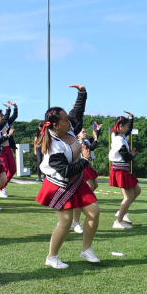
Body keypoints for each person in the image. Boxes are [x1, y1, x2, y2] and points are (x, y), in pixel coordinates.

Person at [35, 85, 101, 269]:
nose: (69, 122)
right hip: (59, 183)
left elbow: (77, 112)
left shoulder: (68, 129)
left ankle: (86, 249)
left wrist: (82, 93)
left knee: (94, 212)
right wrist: (86, 161)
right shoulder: (52, 146)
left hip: (75, 180)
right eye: (65, 120)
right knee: (64, 222)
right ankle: (51, 257)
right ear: (56, 125)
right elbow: (65, 171)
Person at [69, 124, 102, 233]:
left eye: (86, 131)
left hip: (88, 165)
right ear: (77, 134)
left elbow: (92, 139)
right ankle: (75, 221)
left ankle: (81, 205)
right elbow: (91, 146)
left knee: (94, 185)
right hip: (82, 166)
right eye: (83, 132)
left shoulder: (85, 141)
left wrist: (97, 130)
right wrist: (96, 139)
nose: (86, 133)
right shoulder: (78, 142)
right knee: (87, 189)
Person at [110, 112, 139, 229]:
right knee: (128, 196)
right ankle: (118, 221)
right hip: (120, 169)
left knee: (137, 190)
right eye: (126, 126)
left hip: (122, 169)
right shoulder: (119, 140)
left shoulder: (118, 134)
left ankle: (122, 211)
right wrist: (131, 154)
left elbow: (128, 129)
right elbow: (126, 157)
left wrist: (131, 118)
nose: (128, 128)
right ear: (121, 126)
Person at [0, 102, 18, 197]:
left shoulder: (5, 124)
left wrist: (14, 107)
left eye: (3, 115)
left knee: (12, 170)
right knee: (5, 169)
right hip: (1, 150)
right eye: (1, 115)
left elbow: (14, 116)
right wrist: (9, 135)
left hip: (8, 149)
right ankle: (0, 189)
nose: (3, 117)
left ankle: (2, 187)